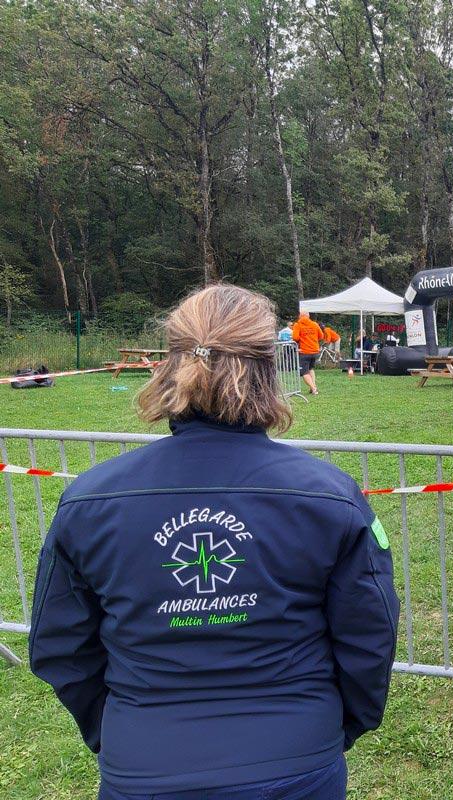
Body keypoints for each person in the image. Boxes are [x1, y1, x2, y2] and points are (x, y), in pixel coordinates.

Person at [29, 285, 399, 799]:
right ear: (271, 371)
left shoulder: (90, 501)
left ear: (168, 366)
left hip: (146, 765)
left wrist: (124, 733)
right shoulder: (331, 497)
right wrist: (328, 728)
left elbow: (59, 647)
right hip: (294, 758)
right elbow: (370, 638)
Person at [291, 310, 325, 395]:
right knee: (311, 369)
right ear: (308, 316)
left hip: (304, 352)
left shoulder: (297, 325)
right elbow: (321, 336)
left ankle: (313, 389)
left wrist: (303, 338)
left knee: (304, 372)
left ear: (300, 316)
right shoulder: (314, 324)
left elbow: (295, 337)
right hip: (314, 351)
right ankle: (313, 387)